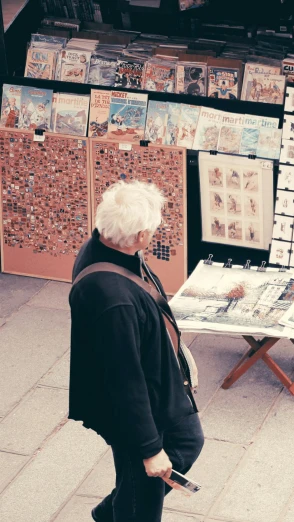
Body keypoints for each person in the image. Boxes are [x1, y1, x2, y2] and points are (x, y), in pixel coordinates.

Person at [69, 181, 203, 522]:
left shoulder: (106, 244)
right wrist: (150, 450)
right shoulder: (113, 300)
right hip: (137, 409)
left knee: (188, 442)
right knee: (142, 499)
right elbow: (124, 382)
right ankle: (118, 512)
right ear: (141, 236)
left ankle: (111, 511)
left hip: (154, 387)